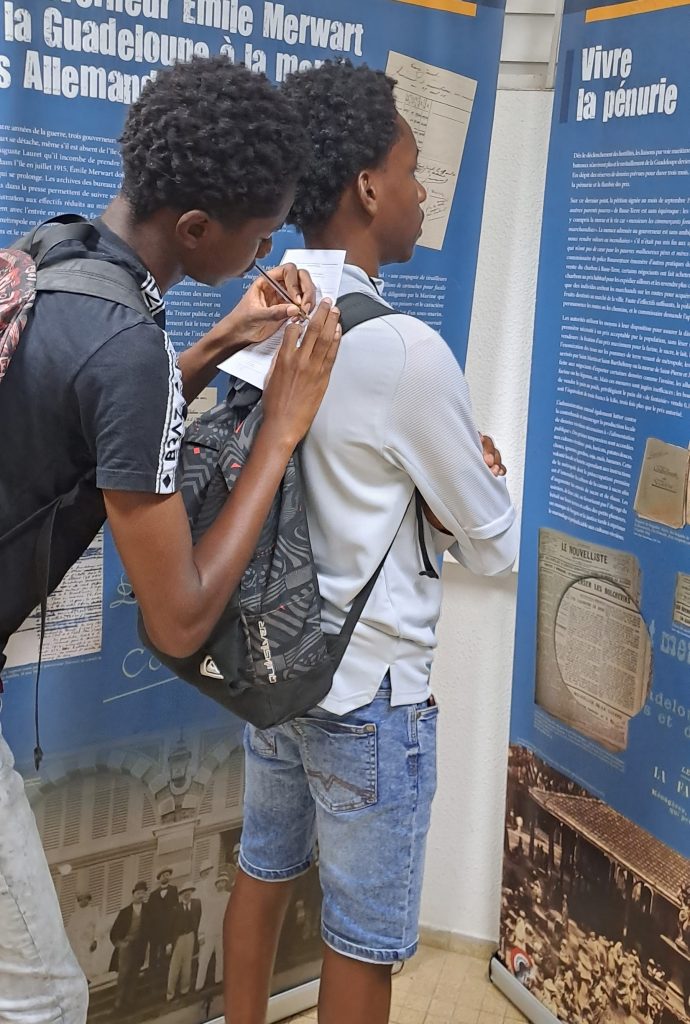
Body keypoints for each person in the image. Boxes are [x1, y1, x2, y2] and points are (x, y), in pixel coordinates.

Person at [0, 56, 341, 1024]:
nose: (269, 247)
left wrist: (223, 340)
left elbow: (97, 422)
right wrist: (280, 429)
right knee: (45, 1002)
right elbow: (182, 617)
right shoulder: (129, 349)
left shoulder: (61, 250)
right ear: (195, 230)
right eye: (260, 232)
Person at [223, 61, 518, 1024]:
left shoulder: (263, 317)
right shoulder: (405, 352)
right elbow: (495, 545)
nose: (423, 191)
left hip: (271, 670)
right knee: (360, 941)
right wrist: (470, 482)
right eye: (412, 168)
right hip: (370, 696)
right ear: (366, 187)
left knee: (260, 874)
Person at [109, 881, 150, 1012]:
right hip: (126, 947)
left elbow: (151, 927)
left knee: (134, 973)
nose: (140, 895)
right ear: (133, 894)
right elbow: (114, 932)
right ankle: (118, 1003)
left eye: (143, 893)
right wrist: (120, 943)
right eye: (138, 893)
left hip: (139, 946)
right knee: (123, 974)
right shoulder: (125, 912)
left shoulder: (148, 910)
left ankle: (130, 1002)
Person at [195, 871, 231, 991]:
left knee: (221, 956)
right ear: (216, 884)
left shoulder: (229, 897)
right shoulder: (210, 898)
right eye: (219, 882)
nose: (221, 884)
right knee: (204, 958)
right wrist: (201, 934)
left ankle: (218, 979)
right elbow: (204, 916)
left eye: (224, 882)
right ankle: (199, 985)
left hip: (222, 931)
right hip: (209, 931)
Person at [167, 882, 202, 1002]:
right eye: (184, 893)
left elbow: (200, 919)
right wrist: (169, 943)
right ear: (181, 895)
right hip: (179, 938)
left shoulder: (196, 904)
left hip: (190, 936)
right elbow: (170, 927)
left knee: (187, 965)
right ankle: (170, 994)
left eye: (189, 892)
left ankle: (184, 990)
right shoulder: (175, 908)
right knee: (175, 966)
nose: (187, 895)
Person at [146, 867, 178, 985]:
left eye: (168, 875)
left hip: (168, 929)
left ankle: (165, 978)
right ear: (159, 878)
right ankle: (152, 977)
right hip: (155, 930)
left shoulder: (174, 890)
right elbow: (149, 913)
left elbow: (176, 909)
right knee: (154, 953)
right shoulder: (153, 895)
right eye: (163, 875)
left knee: (167, 952)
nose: (166, 877)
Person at [65, 892, 100, 985]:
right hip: (77, 941)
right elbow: (69, 929)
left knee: (87, 960)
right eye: (79, 900)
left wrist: (95, 940)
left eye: (84, 899)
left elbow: (97, 926)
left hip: (87, 940)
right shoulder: (75, 915)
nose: (81, 901)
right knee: (77, 959)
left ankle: (87, 978)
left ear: (88, 899)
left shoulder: (93, 912)